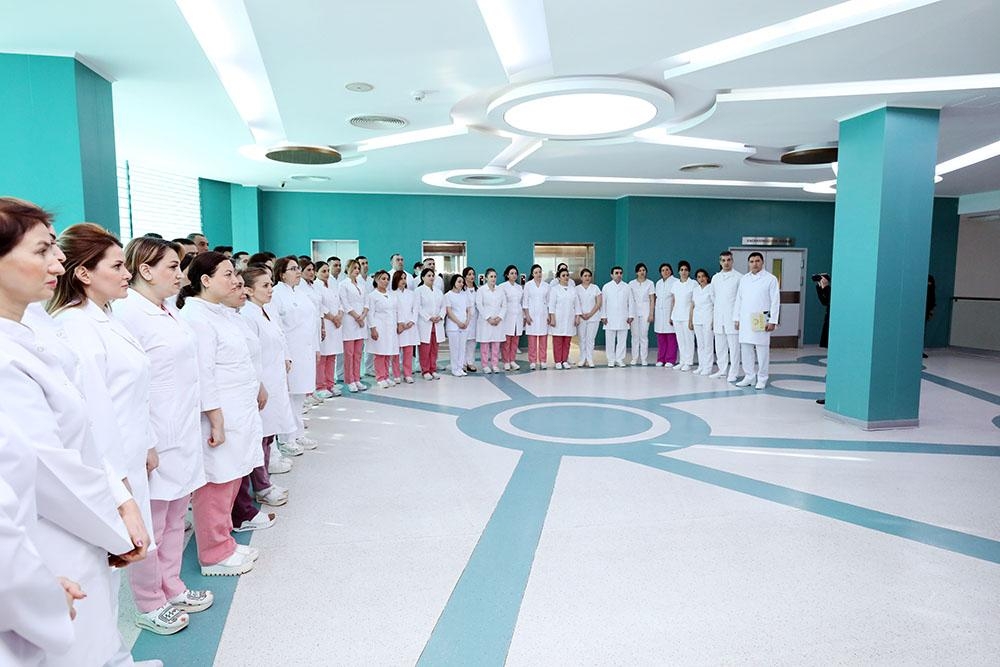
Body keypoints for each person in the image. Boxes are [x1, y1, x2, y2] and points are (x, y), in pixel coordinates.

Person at [0, 198, 148, 666]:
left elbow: (79, 430)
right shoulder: (6, 358)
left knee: (101, 634)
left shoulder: (32, 325)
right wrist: (117, 526)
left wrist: (119, 499)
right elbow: (50, 467)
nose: (58, 261)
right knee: (78, 646)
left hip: (83, 515)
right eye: (42, 250)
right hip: (52, 531)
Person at [116, 237, 213, 635]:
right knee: (152, 524)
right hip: (154, 435)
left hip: (182, 430)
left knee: (175, 518)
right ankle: (148, 601)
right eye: (173, 267)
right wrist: (146, 441)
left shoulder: (168, 309)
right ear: (145, 270)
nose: (180, 274)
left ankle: (172, 586)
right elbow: (130, 387)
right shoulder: (128, 314)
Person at [177, 252, 263, 576]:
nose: (235, 280)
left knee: (232, 476)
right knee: (216, 481)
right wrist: (215, 418)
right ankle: (213, 553)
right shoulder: (197, 318)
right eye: (227, 274)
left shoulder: (221, 313)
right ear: (205, 280)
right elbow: (204, 373)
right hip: (219, 413)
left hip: (238, 410)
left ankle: (224, 540)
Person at [239, 267, 297, 476]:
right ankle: (263, 480)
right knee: (262, 431)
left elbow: (278, 337)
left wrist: (285, 358)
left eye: (271, 284)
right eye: (265, 285)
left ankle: (270, 466)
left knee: (271, 429)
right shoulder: (247, 315)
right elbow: (250, 354)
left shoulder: (265, 310)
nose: (271, 289)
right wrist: (259, 383)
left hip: (274, 377)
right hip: (262, 380)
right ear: (249, 290)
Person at [268, 256, 318, 453]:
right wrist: (285, 355)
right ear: (281, 274)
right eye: (293, 269)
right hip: (290, 352)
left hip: (305, 351)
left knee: (299, 395)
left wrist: (316, 348)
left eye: (298, 268)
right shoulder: (277, 294)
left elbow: (312, 322)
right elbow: (278, 328)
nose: (298, 272)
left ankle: (298, 433)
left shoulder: (300, 293)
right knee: (288, 396)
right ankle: (286, 438)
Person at [733, 251, 780, 389]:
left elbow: (775, 301)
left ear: (762, 262)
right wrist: (736, 318)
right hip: (745, 319)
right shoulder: (744, 279)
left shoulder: (770, 279)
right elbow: (739, 299)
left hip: (761, 319)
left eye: (757, 261)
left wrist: (773, 320)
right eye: (752, 261)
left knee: (762, 350)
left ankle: (762, 378)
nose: (755, 264)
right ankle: (749, 376)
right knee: (746, 348)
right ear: (749, 263)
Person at [710, 251, 742, 381]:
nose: (726, 263)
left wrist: (737, 317)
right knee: (720, 346)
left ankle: (733, 372)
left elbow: (741, 299)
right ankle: (722, 370)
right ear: (720, 262)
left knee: (734, 347)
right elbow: (713, 296)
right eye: (723, 260)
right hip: (719, 317)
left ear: (732, 261)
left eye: (728, 260)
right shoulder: (715, 278)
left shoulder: (739, 277)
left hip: (732, 317)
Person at [366, 270, 399, 388]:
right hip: (379, 327)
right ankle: (380, 377)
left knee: (388, 352)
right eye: (383, 279)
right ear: (376, 280)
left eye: (387, 279)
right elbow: (370, 314)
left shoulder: (392, 295)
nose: (386, 281)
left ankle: (386, 376)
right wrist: (373, 328)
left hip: (391, 327)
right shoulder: (372, 296)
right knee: (380, 353)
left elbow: (395, 311)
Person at [339, 259, 369, 392]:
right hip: (350, 321)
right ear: (348, 269)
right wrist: (357, 317)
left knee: (358, 353)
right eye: (354, 268)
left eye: (358, 268)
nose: (357, 270)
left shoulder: (362, 285)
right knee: (349, 354)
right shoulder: (343, 285)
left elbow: (367, 302)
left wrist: (363, 316)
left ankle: (357, 378)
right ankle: (350, 380)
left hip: (361, 322)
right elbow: (345, 304)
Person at [315, 261, 344, 398]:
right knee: (323, 357)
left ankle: (330, 384)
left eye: (327, 271)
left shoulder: (333, 285)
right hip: (326, 324)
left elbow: (340, 303)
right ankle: (321, 386)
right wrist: (333, 318)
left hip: (336, 325)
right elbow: (320, 306)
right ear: (316, 273)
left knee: (332, 356)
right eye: (323, 271)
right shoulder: (316, 286)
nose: (326, 274)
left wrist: (339, 316)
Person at [601, 266, 634, 367]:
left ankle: (620, 359)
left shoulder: (627, 287)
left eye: (620, 273)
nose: (619, 275)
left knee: (622, 340)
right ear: (612, 275)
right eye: (616, 273)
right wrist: (603, 316)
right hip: (609, 317)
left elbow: (631, 302)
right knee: (609, 340)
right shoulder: (606, 287)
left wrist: (631, 315)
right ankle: (611, 359)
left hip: (623, 317)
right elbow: (603, 303)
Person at [548, 266, 581, 369]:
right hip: (558, 318)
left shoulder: (573, 290)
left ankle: (564, 360)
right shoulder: (554, 290)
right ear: (559, 278)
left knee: (567, 341)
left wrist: (577, 317)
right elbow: (551, 305)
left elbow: (577, 305)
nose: (566, 277)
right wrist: (552, 318)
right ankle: (558, 361)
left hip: (570, 318)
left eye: (567, 275)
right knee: (557, 341)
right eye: (563, 275)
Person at [416, 267, 446, 380]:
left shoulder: (438, 291)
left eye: (433, 275)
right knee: (425, 349)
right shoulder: (419, 291)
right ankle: (425, 370)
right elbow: (418, 307)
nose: (431, 277)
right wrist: (429, 317)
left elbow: (443, 306)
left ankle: (433, 369)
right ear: (423, 277)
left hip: (437, 324)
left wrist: (440, 316)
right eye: (429, 276)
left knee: (434, 349)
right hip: (425, 323)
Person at [475, 268, 506, 373]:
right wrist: (488, 318)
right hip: (485, 322)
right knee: (485, 345)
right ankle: (485, 365)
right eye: (491, 276)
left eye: (495, 276)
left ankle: (495, 364)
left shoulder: (500, 290)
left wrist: (499, 318)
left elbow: (504, 306)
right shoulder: (481, 290)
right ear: (486, 278)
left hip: (497, 321)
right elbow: (479, 305)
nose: (493, 278)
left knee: (496, 344)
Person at [522, 264, 551, 370]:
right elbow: (525, 302)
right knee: (532, 340)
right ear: (532, 274)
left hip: (543, 315)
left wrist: (549, 315)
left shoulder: (546, 286)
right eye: (536, 272)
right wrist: (527, 315)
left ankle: (543, 361)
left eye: (540, 272)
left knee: (543, 340)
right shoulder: (528, 285)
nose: (538, 274)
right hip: (532, 315)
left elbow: (549, 302)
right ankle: (532, 361)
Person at [392, 270, 419, 383]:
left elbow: (416, 309)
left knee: (408, 352)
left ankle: (408, 374)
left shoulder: (411, 294)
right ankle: (396, 374)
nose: (403, 280)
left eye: (404, 278)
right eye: (401, 278)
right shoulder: (392, 294)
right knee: (395, 352)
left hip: (410, 326)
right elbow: (394, 311)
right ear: (396, 280)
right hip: (398, 327)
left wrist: (411, 322)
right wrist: (400, 323)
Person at [670, 261, 697, 371]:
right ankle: (682, 361)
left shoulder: (693, 284)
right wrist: (671, 315)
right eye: (681, 270)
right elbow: (674, 300)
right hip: (677, 315)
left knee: (689, 339)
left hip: (687, 316)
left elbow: (694, 302)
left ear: (689, 271)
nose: (684, 272)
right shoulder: (675, 284)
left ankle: (689, 362)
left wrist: (691, 318)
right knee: (680, 339)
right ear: (678, 272)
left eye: (686, 270)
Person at [445, 274, 472, 376]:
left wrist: (467, 322)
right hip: (453, 326)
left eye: (462, 282)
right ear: (454, 282)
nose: (461, 284)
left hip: (464, 326)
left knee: (462, 348)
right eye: (459, 282)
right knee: (454, 348)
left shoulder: (465, 295)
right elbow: (449, 312)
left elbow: (469, 310)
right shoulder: (448, 295)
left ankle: (460, 368)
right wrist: (458, 322)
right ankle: (454, 368)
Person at [628, 262, 655, 366]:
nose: (642, 272)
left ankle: (644, 358)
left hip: (645, 310)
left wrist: (651, 314)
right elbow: (629, 299)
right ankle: (634, 358)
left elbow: (652, 299)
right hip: (633, 310)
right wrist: (629, 313)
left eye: (643, 270)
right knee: (634, 335)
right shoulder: (631, 284)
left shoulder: (650, 283)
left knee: (644, 335)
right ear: (636, 272)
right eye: (639, 270)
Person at [575, 268, 602, 367]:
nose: (587, 278)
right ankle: (582, 358)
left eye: (589, 276)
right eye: (585, 276)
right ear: (581, 277)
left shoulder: (595, 288)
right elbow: (575, 303)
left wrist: (590, 314)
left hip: (593, 317)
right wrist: (581, 314)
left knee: (590, 339)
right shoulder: (576, 289)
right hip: (581, 317)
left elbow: (598, 303)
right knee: (582, 339)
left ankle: (590, 359)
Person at [653, 263, 678, 367]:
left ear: (671, 271)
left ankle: (670, 360)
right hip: (659, 313)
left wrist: (672, 314)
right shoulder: (658, 283)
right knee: (661, 337)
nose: (665, 272)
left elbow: (675, 299)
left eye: (667, 269)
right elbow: (657, 298)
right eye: (663, 270)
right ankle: (661, 359)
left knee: (671, 337)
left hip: (669, 312)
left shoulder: (675, 282)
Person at [691, 268, 716, 375]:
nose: (701, 279)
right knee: (700, 344)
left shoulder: (711, 288)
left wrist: (714, 320)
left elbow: (715, 305)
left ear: (707, 277)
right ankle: (701, 366)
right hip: (697, 319)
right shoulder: (696, 290)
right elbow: (693, 305)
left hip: (708, 319)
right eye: (699, 277)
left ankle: (708, 367)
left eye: (703, 276)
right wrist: (691, 320)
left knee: (708, 344)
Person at [499, 265, 523, 371]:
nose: (514, 275)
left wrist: (524, 316)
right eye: (511, 273)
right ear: (507, 275)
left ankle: (512, 360)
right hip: (507, 316)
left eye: (515, 273)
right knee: (507, 341)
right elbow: (500, 302)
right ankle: (506, 361)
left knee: (515, 340)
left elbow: (521, 302)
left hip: (518, 315)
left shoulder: (519, 287)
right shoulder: (502, 287)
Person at [462, 266, 479, 373]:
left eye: (473, 274)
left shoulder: (478, 290)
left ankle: (470, 362)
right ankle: (462, 363)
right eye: (469, 274)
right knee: (463, 341)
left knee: (472, 341)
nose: (472, 276)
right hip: (464, 319)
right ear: (465, 276)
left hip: (475, 319)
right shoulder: (462, 290)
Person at [815, 274, 831, 349]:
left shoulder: (830, 290)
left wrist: (826, 287)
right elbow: (824, 301)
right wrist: (819, 287)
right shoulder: (826, 289)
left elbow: (829, 299)